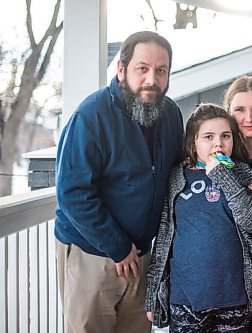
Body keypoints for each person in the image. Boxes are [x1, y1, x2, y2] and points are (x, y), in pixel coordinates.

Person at [54, 31, 184, 332]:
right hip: (93, 254)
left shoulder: (171, 115)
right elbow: (72, 192)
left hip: (143, 255)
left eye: (161, 70)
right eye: (143, 68)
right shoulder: (91, 115)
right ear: (122, 70)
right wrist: (118, 246)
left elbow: (178, 173)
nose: (152, 79)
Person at [145, 103, 252, 332]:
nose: (218, 143)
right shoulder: (176, 177)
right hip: (186, 299)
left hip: (235, 298)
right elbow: (163, 240)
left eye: (225, 136)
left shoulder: (242, 173)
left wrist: (222, 175)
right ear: (193, 142)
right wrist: (152, 293)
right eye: (208, 136)